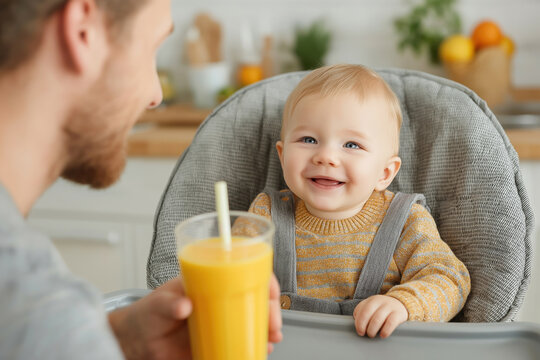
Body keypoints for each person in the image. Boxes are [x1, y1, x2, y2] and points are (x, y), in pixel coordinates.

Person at [0, 0, 282, 359]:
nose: (156, 95)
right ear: (83, 32)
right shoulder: (36, 309)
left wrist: (117, 341)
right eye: (151, 50)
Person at [248, 64, 471, 338]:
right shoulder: (265, 216)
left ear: (385, 173)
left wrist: (403, 304)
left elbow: (450, 279)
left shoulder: (405, 222)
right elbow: (228, 279)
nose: (326, 156)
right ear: (282, 156)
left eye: (351, 145)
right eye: (308, 139)